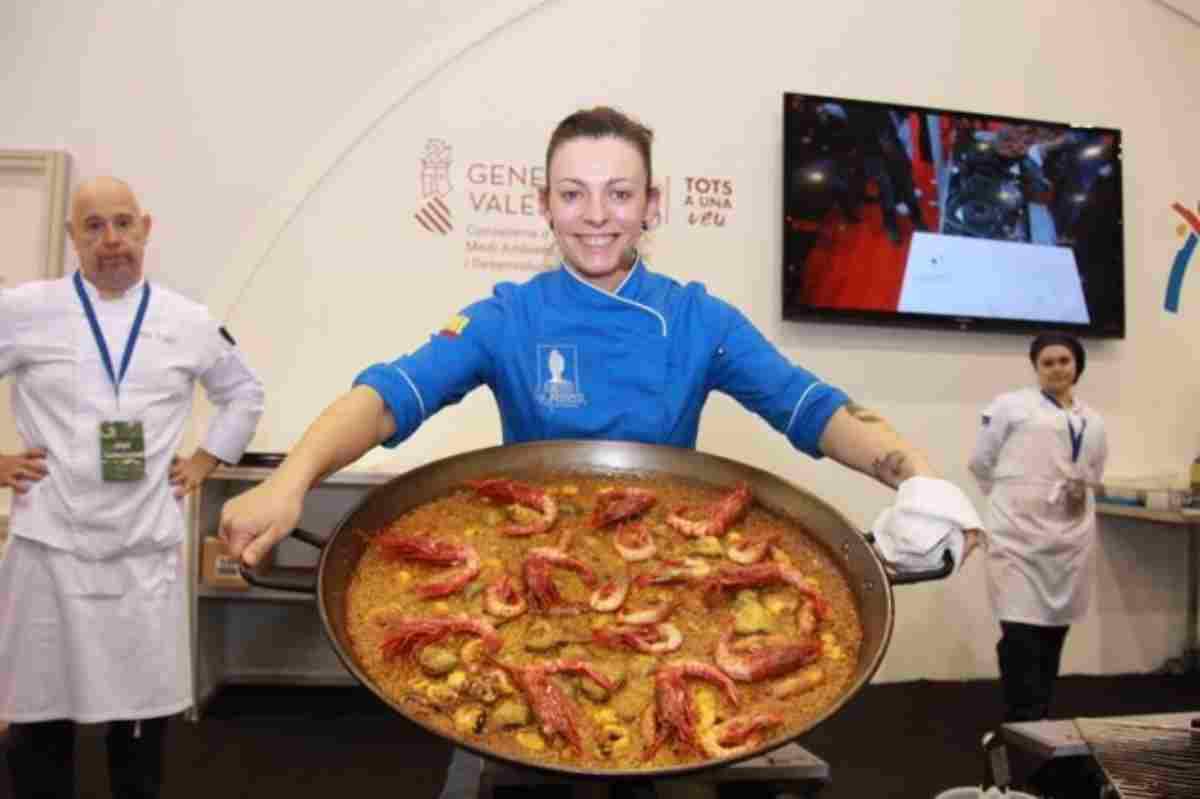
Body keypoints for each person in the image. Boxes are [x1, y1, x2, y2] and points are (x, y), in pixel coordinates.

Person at [219, 107, 981, 798]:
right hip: (532, 586)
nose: (595, 215)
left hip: (674, 582)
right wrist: (291, 480)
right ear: (543, 203)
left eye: (619, 194)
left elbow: (813, 407)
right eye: (573, 193)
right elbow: (389, 395)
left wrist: (920, 477)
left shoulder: (697, 318)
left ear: (653, 205)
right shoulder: (508, 316)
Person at [0, 176, 265, 799]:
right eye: (93, 226)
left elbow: (242, 393)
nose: (111, 239)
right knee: (40, 721)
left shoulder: (187, 320)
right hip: (49, 547)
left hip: (143, 552)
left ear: (146, 229)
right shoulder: (25, 310)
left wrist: (205, 461)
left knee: (141, 727)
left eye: (122, 223)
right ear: (73, 236)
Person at [968, 332, 1107, 727]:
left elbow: (1094, 471)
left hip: (1069, 539)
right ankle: (1021, 719)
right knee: (1020, 632)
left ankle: (1041, 716)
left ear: (1077, 365)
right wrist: (1017, 497)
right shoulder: (1010, 407)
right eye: (1047, 362)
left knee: (1053, 633)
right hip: (1017, 535)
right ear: (1036, 367)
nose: (1057, 368)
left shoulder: (1093, 421)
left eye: (1064, 360)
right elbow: (980, 462)